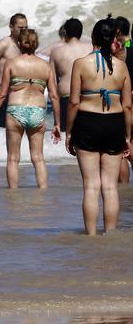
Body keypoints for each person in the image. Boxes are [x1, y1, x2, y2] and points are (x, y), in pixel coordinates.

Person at [66, 16, 132, 235]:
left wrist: (69, 133)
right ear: (113, 39)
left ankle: (92, 237)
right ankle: (110, 235)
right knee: (110, 187)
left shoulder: (81, 64)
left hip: (87, 123)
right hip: (114, 124)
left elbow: (74, 102)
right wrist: (128, 137)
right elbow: (128, 106)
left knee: (91, 186)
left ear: (93, 37)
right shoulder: (122, 67)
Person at [0, 29, 62, 189]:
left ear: (19, 43)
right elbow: (54, 96)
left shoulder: (12, 64)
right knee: (38, 158)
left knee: (13, 158)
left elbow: (2, 93)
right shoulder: (45, 66)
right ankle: (43, 193)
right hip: (38, 111)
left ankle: (13, 194)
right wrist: (57, 124)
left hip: (15, 111)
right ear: (36, 44)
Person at [49, 18, 93, 132]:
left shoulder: (56, 52)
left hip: (66, 99)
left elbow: (52, 84)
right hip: (89, 97)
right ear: (81, 32)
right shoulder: (91, 48)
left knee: (66, 136)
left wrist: (56, 120)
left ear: (65, 32)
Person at [114, 16, 133, 182]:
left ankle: (123, 188)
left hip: (125, 100)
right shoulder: (129, 45)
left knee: (121, 150)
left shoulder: (122, 51)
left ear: (118, 31)